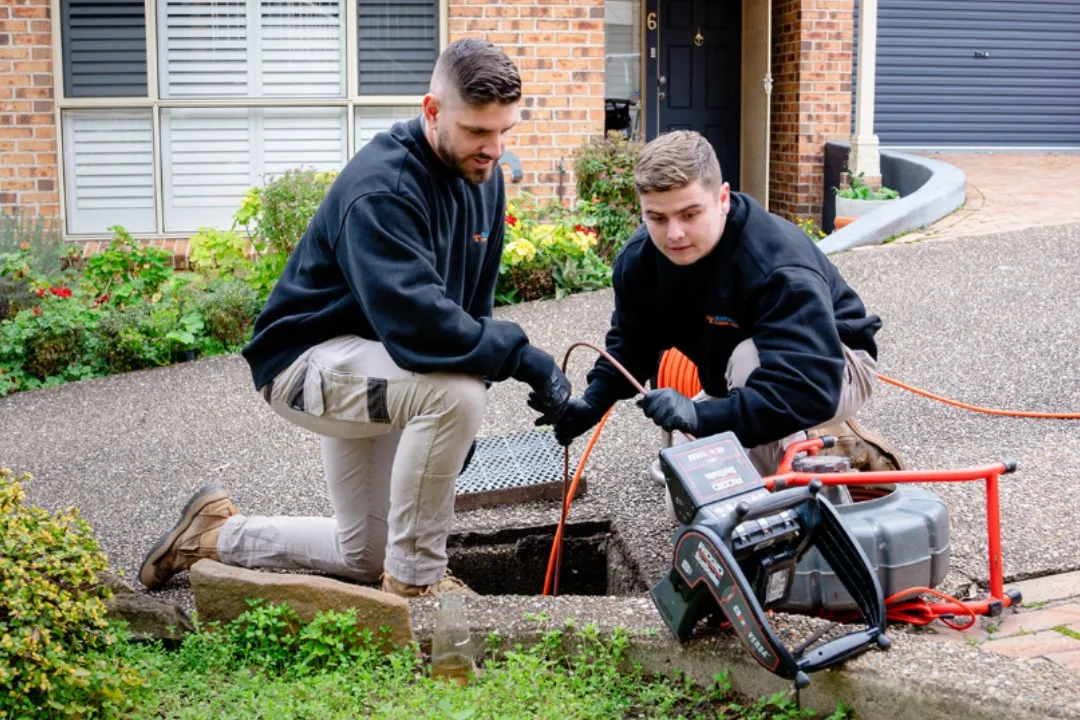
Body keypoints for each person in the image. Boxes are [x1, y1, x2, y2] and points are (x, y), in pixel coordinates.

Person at [139, 38, 571, 598]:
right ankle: (416, 585)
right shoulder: (383, 188)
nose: (493, 148)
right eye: (477, 131)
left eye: (503, 130)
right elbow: (424, 325)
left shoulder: (480, 177)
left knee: (364, 552)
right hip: (304, 366)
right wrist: (528, 363)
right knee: (454, 397)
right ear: (432, 110)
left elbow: (471, 307)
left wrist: (481, 385)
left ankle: (214, 533)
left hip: (380, 364)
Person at [537, 129, 905, 487]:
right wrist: (592, 402)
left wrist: (699, 414)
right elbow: (633, 342)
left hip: (830, 368)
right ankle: (808, 439)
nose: (674, 234)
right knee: (688, 493)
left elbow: (808, 388)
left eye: (690, 214)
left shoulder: (775, 266)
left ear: (723, 198)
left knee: (749, 371)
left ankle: (785, 510)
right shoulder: (641, 262)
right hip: (738, 379)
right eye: (657, 218)